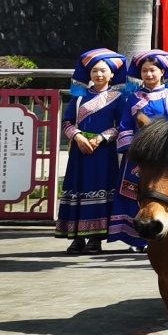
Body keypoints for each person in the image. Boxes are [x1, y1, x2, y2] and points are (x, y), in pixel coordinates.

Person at [109, 51, 168, 251]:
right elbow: (125, 124)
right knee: (133, 192)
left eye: (152, 70)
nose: (148, 74)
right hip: (136, 153)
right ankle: (135, 239)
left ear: (162, 72)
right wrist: (132, 148)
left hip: (159, 155)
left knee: (154, 190)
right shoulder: (132, 97)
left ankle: (157, 232)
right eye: (144, 71)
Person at [57, 49, 126, 253]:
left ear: (112, 74)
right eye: (95, 71)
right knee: (78, 190)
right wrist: (77, 137)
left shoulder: (118, 97)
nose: (99, 75)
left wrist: (100, 138)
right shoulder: (80, 97)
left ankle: (95, 238)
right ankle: (76, 236)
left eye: (104, 71)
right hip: (80, 152)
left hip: (103, 152)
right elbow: (67, 122)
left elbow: (121, 125)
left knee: (101, 191)